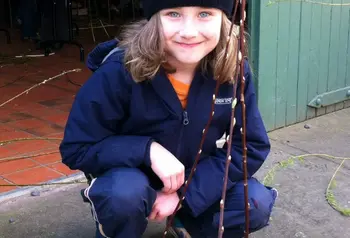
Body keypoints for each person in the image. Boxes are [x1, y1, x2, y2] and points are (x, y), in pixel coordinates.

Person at [59, 0, 278, 237]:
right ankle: (116, 229)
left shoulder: (233, 70)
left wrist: (186, 194)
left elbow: (250, 145)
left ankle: (185, 221)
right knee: (122, 195)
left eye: (205, 13)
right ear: (154, 19)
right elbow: (77, 147)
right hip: (129, 175)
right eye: (173, 13)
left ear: (224, 20)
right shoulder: (118, 70)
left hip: (192, 177)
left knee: (253, 203)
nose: (188, 32)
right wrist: (146, 150)